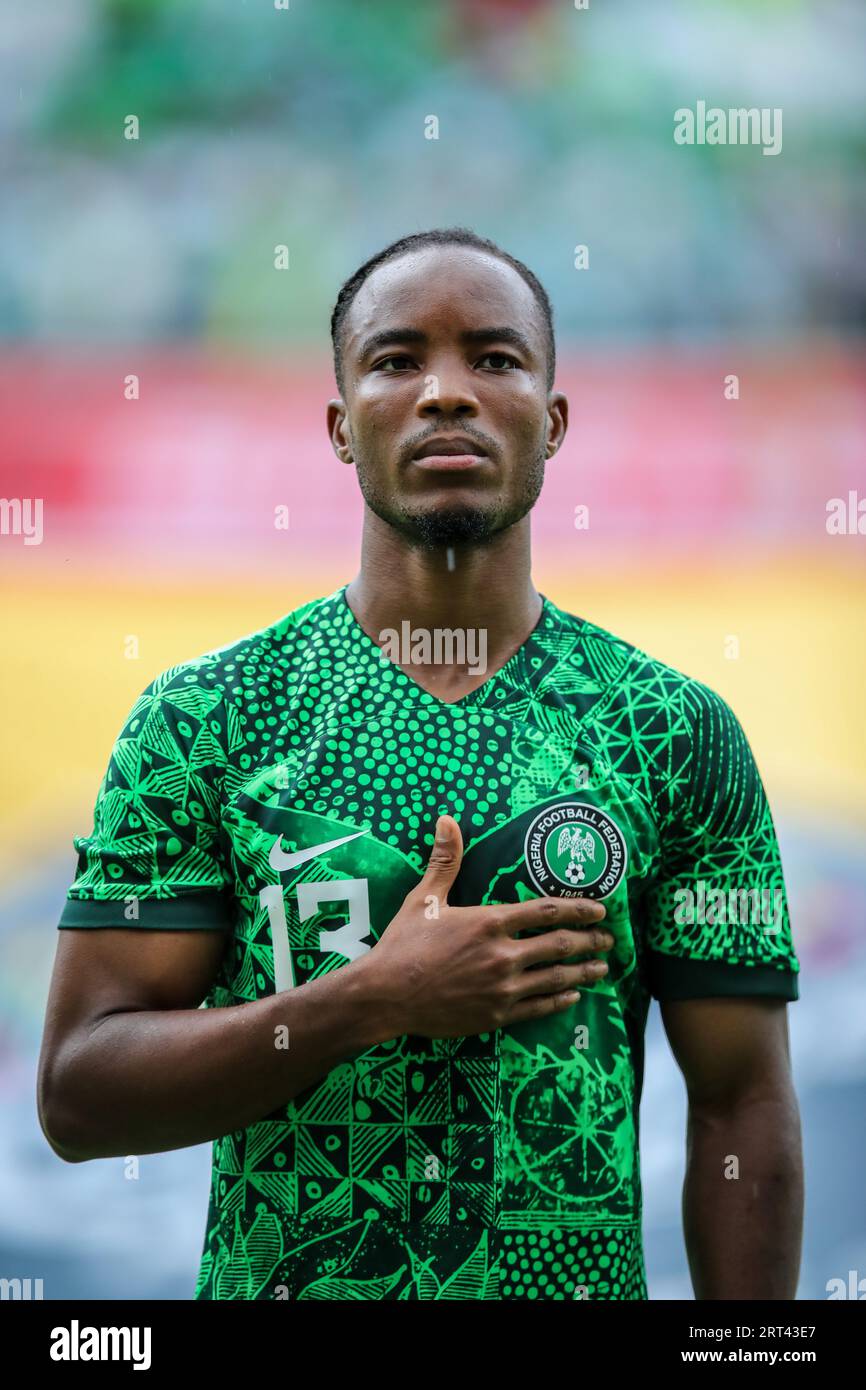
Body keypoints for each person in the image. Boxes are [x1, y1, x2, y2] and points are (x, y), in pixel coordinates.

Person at [37, 228, 803, 1301]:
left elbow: (741, 1104)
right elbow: (79, 1099)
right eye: (398, 360)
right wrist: (370, 1000)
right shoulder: (204, 718)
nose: (447, 392)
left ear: (554, 418)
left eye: (494, 358)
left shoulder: (669, 729)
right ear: (342, 427)